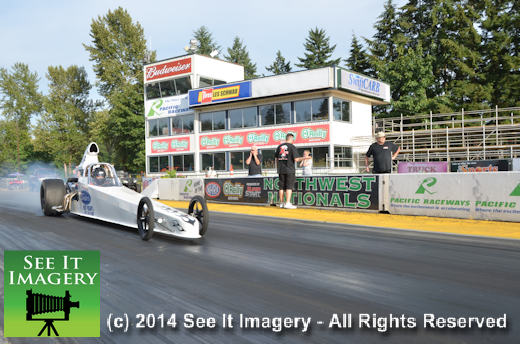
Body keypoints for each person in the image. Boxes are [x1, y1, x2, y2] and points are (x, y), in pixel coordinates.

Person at [275, 133, 309, 209]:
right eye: (293, 139)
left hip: (281, 170)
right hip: (289, 169)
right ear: (291, 139)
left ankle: (281, 203)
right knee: (289, 186)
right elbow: (296, 159)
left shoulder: (279, 147)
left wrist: (278, 168)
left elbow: (276, 159)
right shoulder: (292, 147)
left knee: (281, 187)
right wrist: (305, 158)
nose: (293, 141)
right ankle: (287, 203)